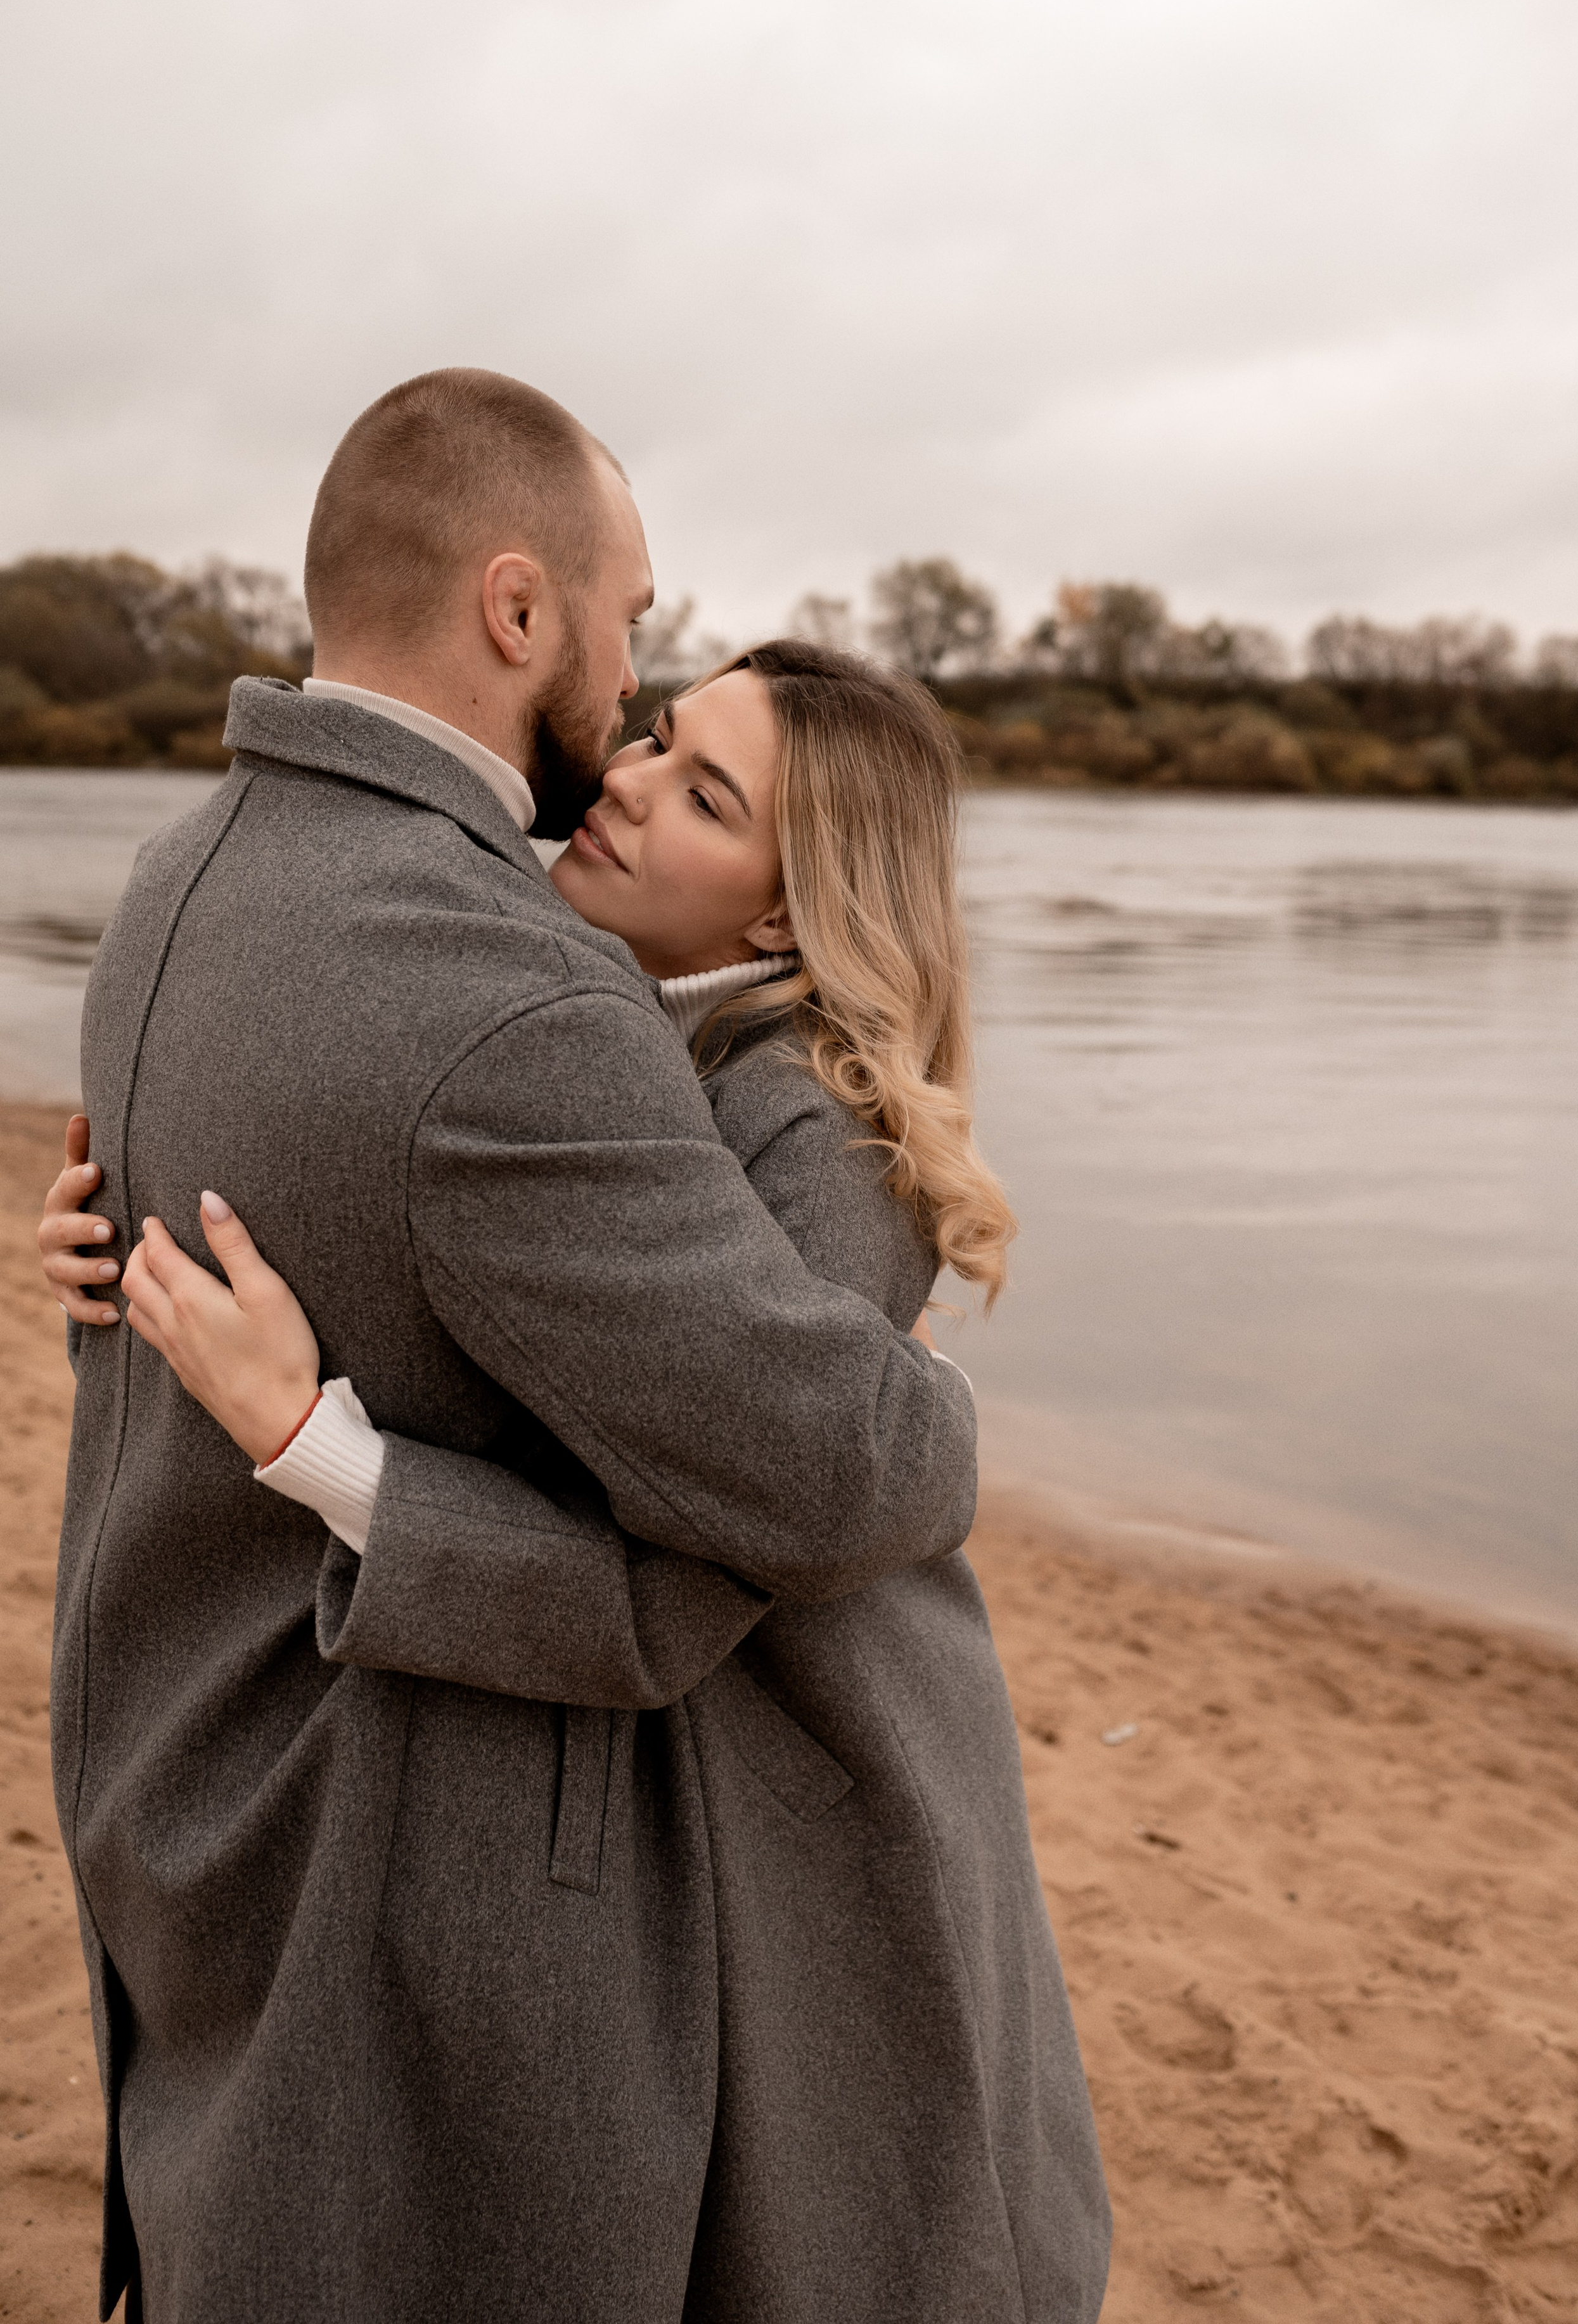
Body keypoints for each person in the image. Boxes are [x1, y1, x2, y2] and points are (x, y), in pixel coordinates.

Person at [39, 368, 999, 2324]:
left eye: (703, 785)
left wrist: (310, 1437)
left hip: (262, 1798)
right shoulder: (528, 1008)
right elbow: (834, 1466)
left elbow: (764, 1506)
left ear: (799, 909)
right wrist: (125, 1300)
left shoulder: (178, 883)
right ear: (516, 608)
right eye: (636, 640)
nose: (631, 727)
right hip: (376, 1852)